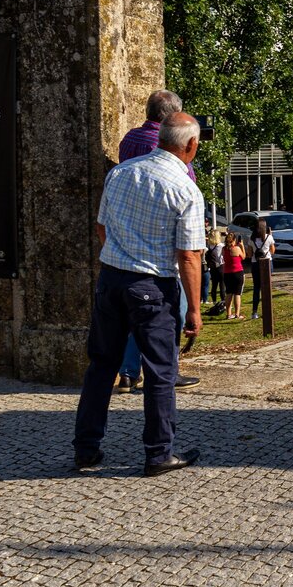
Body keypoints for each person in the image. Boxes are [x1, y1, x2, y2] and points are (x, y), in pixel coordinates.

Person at [73, 109, 204, 477]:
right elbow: (189, 256)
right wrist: (194, 310)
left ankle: (85, 448)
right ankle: (159, 453)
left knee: (101, 365)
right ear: (191, 145)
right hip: (153, 286)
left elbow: (101, 227)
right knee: (160, 371)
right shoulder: (185, 189)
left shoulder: (120, 173)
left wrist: (122, 256)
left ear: (160, 138)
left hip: (112, 279)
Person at [114, 90, 200, 394]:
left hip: (127, 237)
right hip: (161, 238)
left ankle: (128, 372)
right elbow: (186, 185)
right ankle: (167, 370)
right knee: (172, 311)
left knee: (135, 315)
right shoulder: (167, 149)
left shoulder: (129, 140)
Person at [249, 219, 275, 320]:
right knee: (267, 287)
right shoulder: (269, 237)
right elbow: (272, 251)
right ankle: (267, 311)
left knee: (256, 288)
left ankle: (254, 312)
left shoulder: (252, 238)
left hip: (255, 263)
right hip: (267, 262)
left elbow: (249, 254)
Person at [222, 232, 246, 320]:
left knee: (228, 293)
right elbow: (243, 257)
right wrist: (242, 246)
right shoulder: (236, 248)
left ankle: (228, 314)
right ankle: (237, 314)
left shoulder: (224, 249)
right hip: (237, 272)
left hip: (227, 273)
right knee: (237, 293)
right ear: (234, 240)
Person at [204, 228, 225, 306]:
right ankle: (223, 301)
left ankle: (214, 302)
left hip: (212, 267)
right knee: (222, 285)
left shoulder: (209, 246)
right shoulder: (221, 246)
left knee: (214, 285)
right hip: (220, 266)